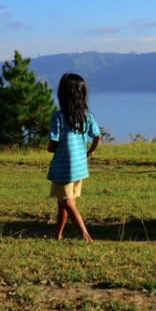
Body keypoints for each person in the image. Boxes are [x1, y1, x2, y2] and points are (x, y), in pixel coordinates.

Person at [46, 73, 100, 241]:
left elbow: (51, 146)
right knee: (64, 202)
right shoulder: (87, 115)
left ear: (62, 94)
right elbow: (97, 136)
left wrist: (51, 148)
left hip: (64, 169)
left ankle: (85, 236)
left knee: (67, 203)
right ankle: (58, 234)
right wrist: (90, 152)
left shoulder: (59, 117)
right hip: (79, 166)